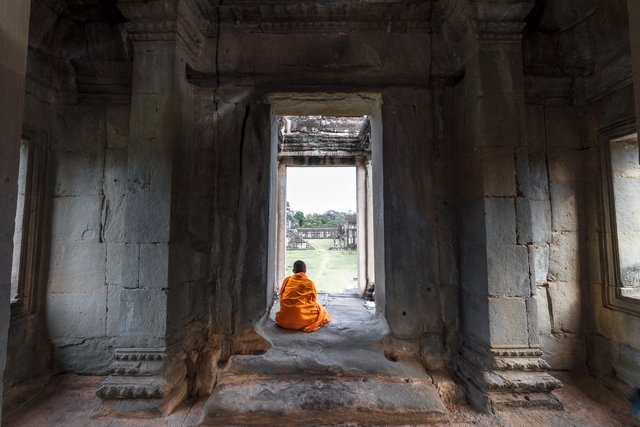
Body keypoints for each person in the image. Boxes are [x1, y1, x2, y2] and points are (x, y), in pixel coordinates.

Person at [275, 260, 331, 332]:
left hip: (284, 320)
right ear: (305, 270)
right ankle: (301, 321)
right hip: (301, 318)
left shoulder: (287, 280)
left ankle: (292, 316)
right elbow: (313, 299)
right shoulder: (309, 283)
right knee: (321, 311)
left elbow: (282, 296)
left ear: (293, 270)